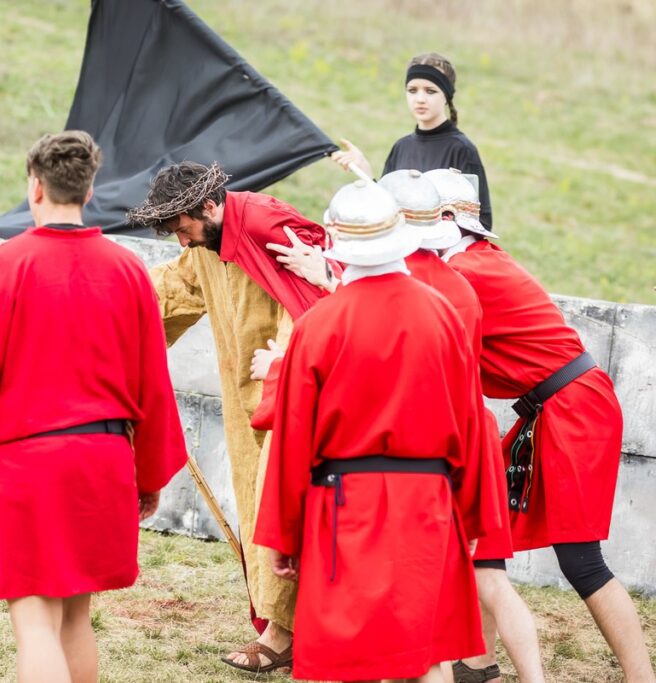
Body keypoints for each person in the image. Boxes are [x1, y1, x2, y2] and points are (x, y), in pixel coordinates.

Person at [0, 131, 187, 683]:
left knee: (35, 625)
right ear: (89, 188)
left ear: (34, 186)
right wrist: (146, 476)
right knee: (76, 620)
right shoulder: (127, 272)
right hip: (103, 464)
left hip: (31, 469)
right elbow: (153, 385)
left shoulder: (5, 266)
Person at [254, 179, 500, 682]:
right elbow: (472, 421)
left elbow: (292, 438)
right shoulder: (443, 316)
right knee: (426, 652)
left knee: (354, 657)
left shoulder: (319, 325)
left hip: (344, 507)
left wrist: (283, 534)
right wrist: (473, 517)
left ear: (339, 247)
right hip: (429, 504)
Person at [428, 168, 656, 683]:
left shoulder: (466, 269)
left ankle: (642, 677)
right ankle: (478, 661)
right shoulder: (471, 261)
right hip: (553, 407)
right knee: (484, 529)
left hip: (573, 408)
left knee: (581, 560)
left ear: (443, 220)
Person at [128, 161, 334, 673]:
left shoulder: (267, 226)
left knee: (280, 513)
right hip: (245, 401)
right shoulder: (204, 245)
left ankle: (285, 636)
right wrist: (108, 309)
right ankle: (287, 629)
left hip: (290, 399)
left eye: (182, 227)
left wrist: (285, 368)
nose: (179, 241)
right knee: (260, 510)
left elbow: (316, 303)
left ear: (210, 206)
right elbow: (171, 290)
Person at [331, 52, 494, 230]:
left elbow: (481, 222)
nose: (420, 99)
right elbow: (387, 210)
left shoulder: (461, 149)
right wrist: (366, 173)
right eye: (412, 90)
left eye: (430, 91)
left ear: (446, 96)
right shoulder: (401, 147)